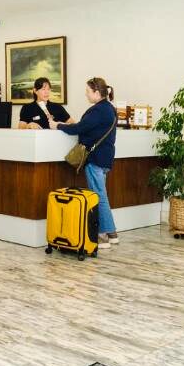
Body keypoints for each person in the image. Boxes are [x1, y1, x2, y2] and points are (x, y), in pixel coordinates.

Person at [51, 77, 118, 248]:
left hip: (95, 158)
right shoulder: (109, 108)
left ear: (97, 92)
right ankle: (111, 233)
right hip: (105, 157)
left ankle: (102, 236)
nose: (86, 94)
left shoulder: (99, 110)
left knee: (98, 196)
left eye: (88, 91)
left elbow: (79, 128)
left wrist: (57, 126)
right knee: (101, 195)